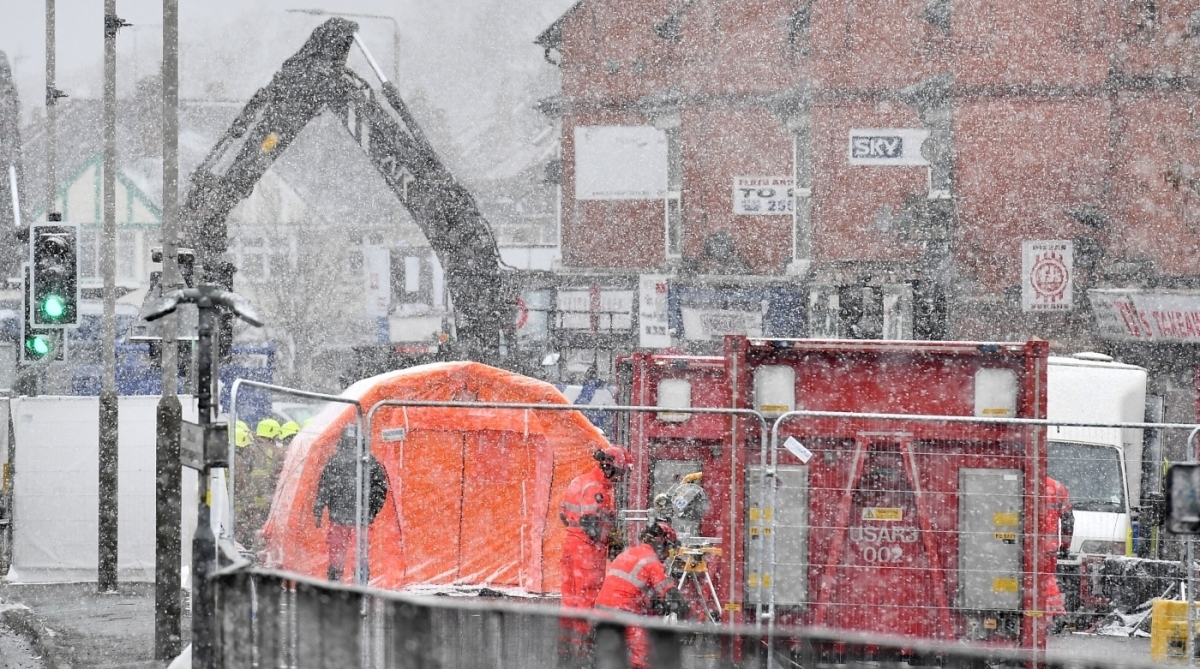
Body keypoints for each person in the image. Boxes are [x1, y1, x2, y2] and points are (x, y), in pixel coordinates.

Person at [558, 446, 630, 663]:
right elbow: (591, 524)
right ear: (609, 467)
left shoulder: (581, 481)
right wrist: (608, 539)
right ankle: (585, 655)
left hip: (571, 546)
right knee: (588, 601)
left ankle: (565, 654)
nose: (620, 478)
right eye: (620, 472)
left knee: (569, 601)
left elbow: (564, 515)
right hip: (587, 552)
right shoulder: (597, 489)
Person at [594, 522, 691, 669]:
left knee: (610, 657)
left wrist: (656, 604)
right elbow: (670, 593)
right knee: (643, 658)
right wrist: (690, 616)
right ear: (661, 543)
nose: (666, 555)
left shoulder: (628, 554)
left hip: (602, 612)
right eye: (668, 549)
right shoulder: (652, 561)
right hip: (624, 613)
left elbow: (632, 589)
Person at [313, 424, 389, 582]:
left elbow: (324, 487)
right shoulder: (370, 461)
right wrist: (371, 511)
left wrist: (319, 508)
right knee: (360, 557)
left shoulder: (335, 461)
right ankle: (360, 589)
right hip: (361, 520)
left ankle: (334, 588)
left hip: (339, 518)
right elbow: (380, 490)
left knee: (337, 557)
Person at [1043, 475, 1074, 616]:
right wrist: (1065, 545)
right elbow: (1068, 520)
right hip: (1048, 548)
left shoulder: (1019, 478)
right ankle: (1053, 614)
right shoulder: (1056, 487)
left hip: (1020, 547)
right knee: (1046, 578)